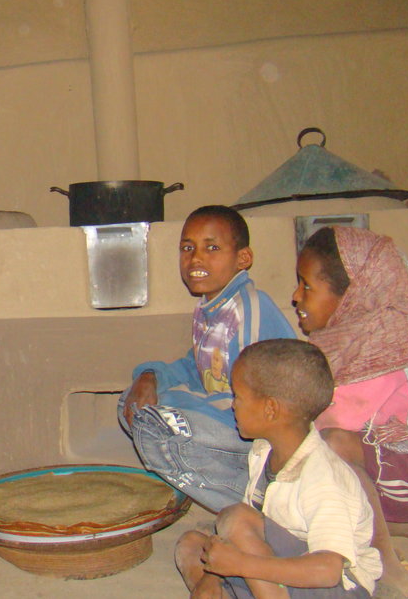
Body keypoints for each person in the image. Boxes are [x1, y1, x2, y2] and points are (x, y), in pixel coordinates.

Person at [294, 226, 408, 597]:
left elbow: (331, 423)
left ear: (353, 298)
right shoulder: (350, 337)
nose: (296, 296)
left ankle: (386, 567)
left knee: (330, 448)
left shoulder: (379, 349)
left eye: (307, 286)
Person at [118, 205, 296, 512]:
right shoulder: (208, 309)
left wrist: (177, 402)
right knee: (131, 404)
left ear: (243, 258)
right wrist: (149, 377)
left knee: (156, 422)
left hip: (255, 431)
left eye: (211, 247)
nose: (196, 258)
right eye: (188, 248)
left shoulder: (249, 308)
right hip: (224, 418)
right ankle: (239, 493)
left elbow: (258, 397)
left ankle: (261, 503)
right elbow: (196, 365)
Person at [175, 339, 382, 598]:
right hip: (281, 575)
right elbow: (253, 533)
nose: (233, 404)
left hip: (335, 586)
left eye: (238, 396)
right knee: (192, 545)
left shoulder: (323, 478)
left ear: (270, 409)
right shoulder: (263, 451)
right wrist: (214, 575)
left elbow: (327, 571)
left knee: (236, 518)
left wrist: (239, 564)